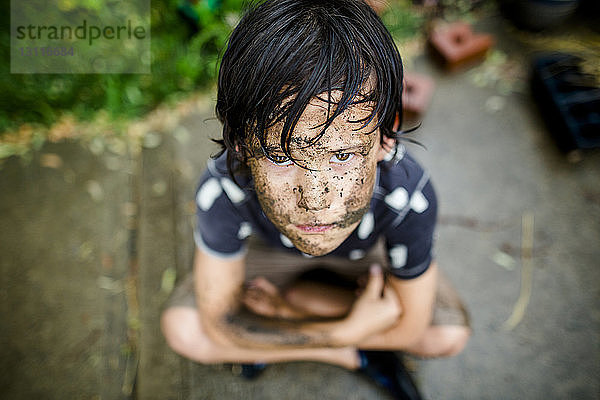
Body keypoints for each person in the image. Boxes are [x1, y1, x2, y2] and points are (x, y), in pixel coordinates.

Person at [161, 0, 470, 398]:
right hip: (268, 258)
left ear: (385, 138)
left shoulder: (407, 194)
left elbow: (411, 327)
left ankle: (285, 322)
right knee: (184, 331)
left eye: (342, 155)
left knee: (447, 335)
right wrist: (343, 336)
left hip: (365, 263)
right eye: (279, 156)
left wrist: (285, 319)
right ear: (239, 144)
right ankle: (354, 355)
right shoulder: (224, 185)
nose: (314, 198)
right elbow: (219, 321)